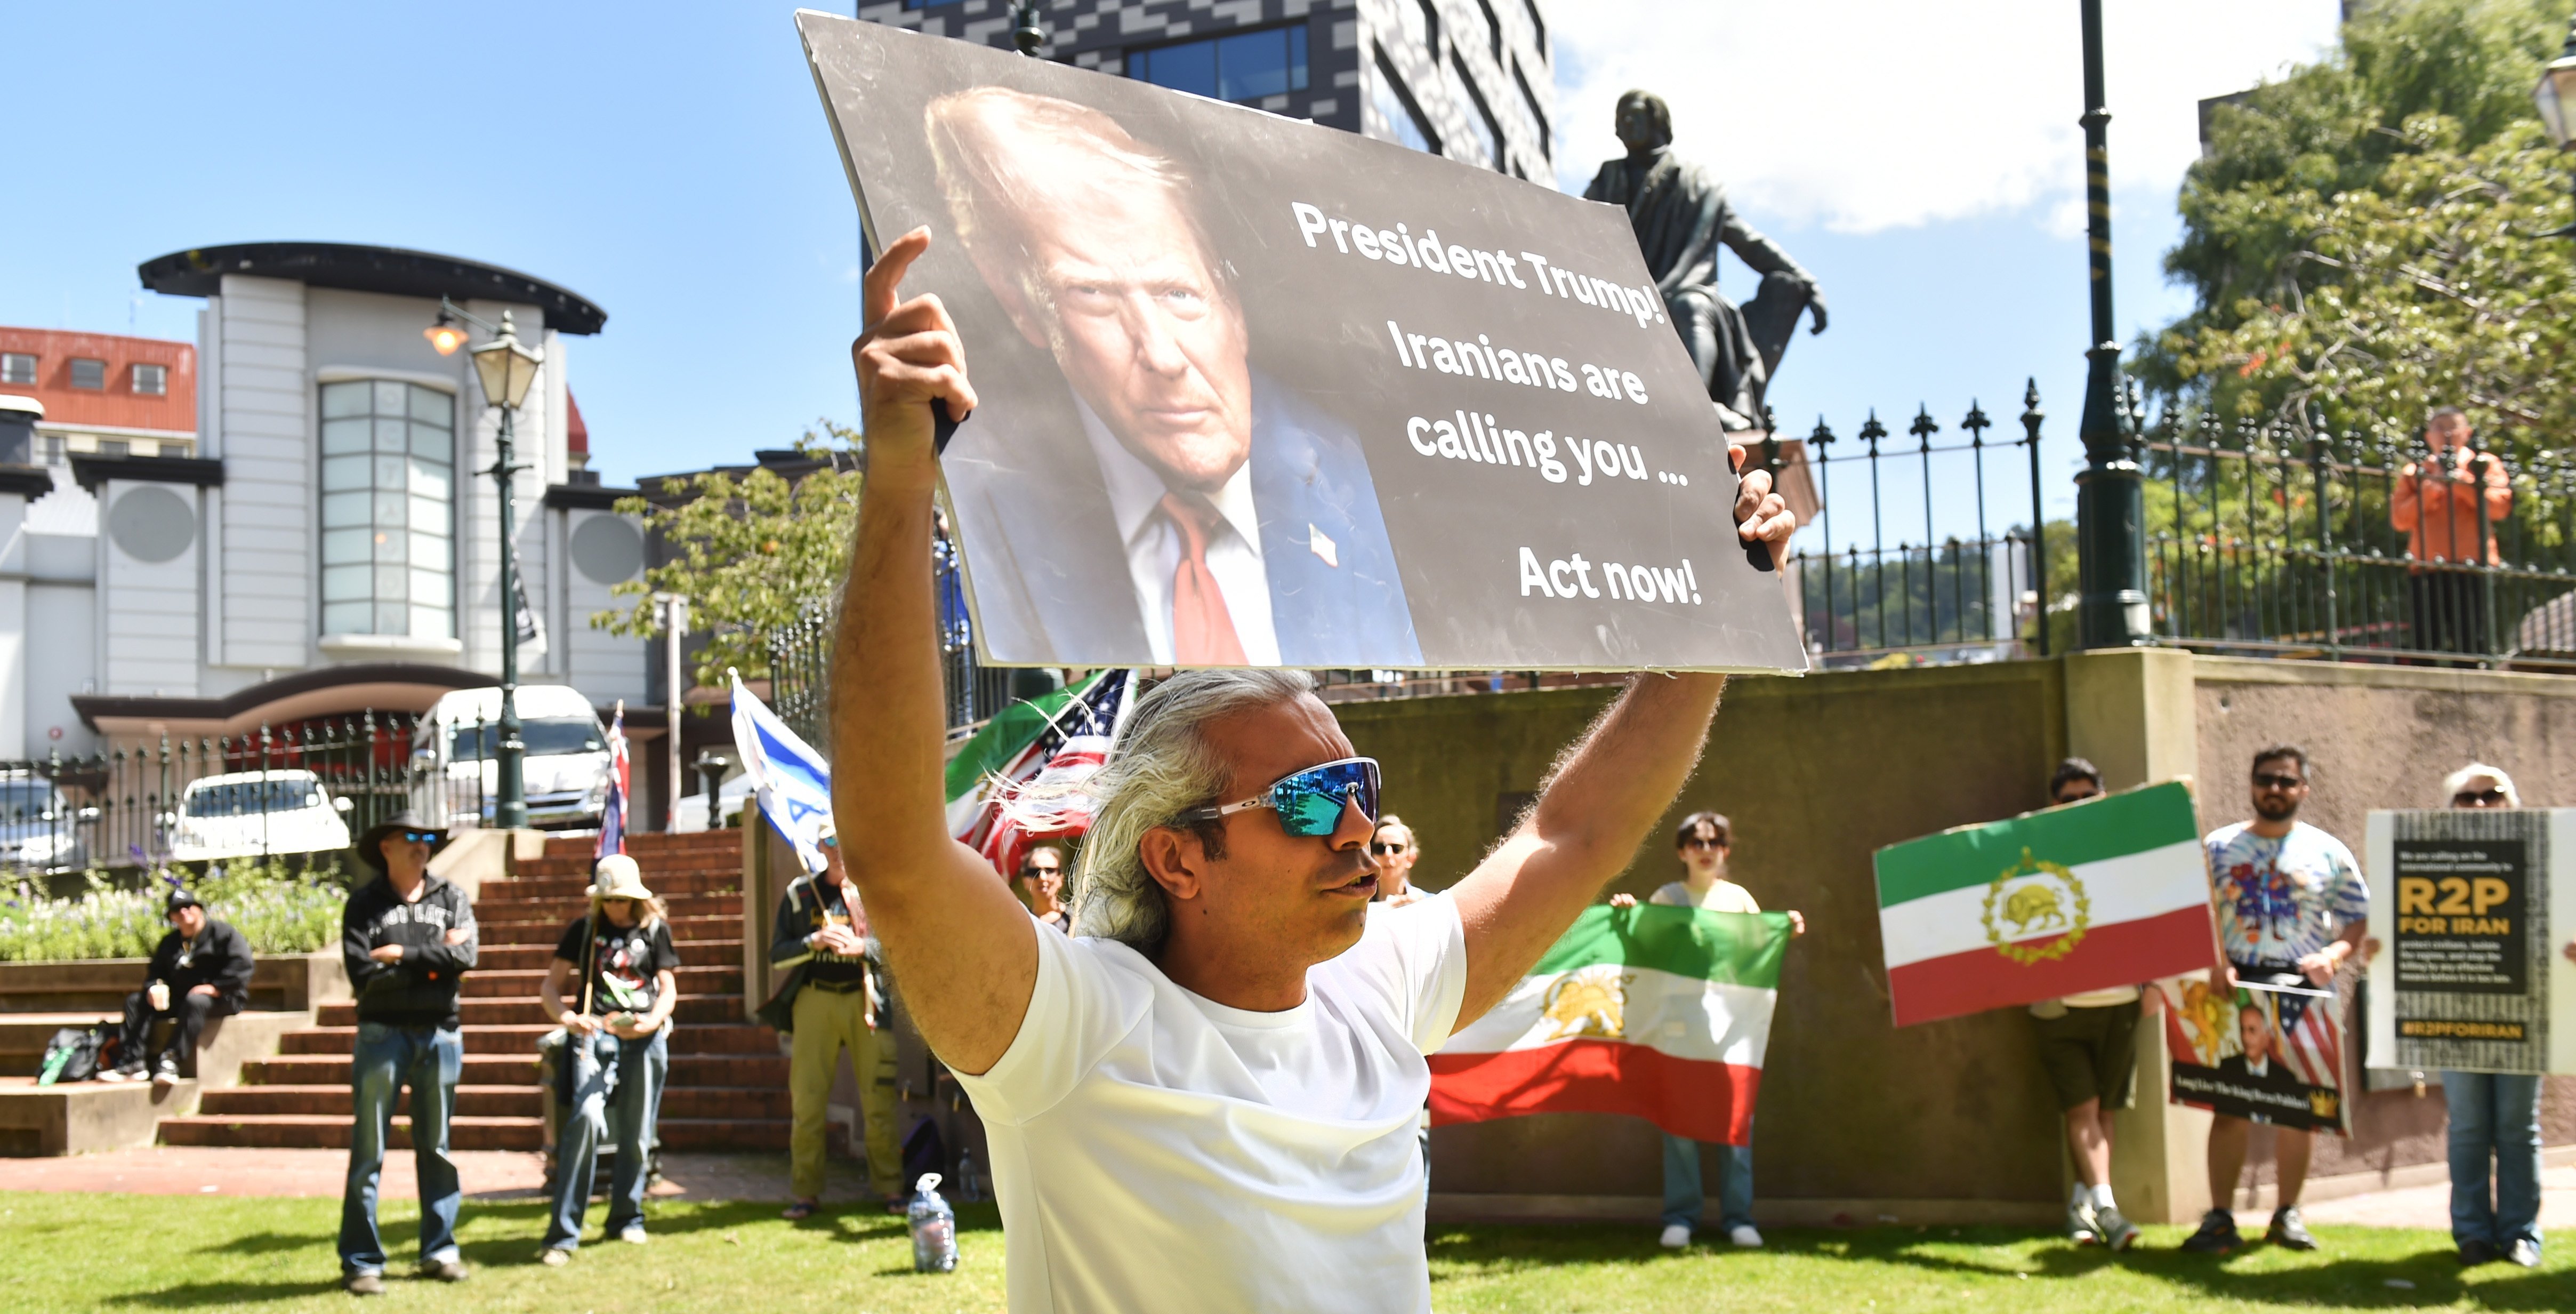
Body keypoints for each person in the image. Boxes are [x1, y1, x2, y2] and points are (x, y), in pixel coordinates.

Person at [834, 227, 1793, 1311]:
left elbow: (1569, 832)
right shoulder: (1067, 1030)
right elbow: (899, 855)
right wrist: (903, 484)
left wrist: (1721, 621)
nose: (1356, 831)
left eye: (1359, 788)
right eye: (1308, 799)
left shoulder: (1375, 975)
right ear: (1176, 856)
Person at [925, 85, 1419, 668]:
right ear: (1024, 308)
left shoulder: (1345, 468)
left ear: (1234, 304)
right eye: (1093, 294)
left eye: (1179, 293)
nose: (1161, 355)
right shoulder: (985, 490)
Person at [2181, 746, 2365, 1256]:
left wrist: (2335, 954)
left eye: (2287, 782)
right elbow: (2199, 914)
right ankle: (2220, 1218)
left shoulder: (2328, 852)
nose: (2276, 790)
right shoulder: (2218, 848)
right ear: (2251, 784)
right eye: (2266, 780)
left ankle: (2287, 1215)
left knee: (2298, 1110)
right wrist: (2214, 962)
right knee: (2230, 1106)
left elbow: (2358, 917)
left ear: (2303, 789)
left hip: (2305, 992)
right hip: (2236, 990)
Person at [1609, 812, 1802, 1249]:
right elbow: (1644, 946)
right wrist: (1628, 917)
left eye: (1714, 842)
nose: (1706, 849)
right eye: (1696, 842)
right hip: (1678, 1022)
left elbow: (1758, 947)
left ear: (1726, 850)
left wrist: (1784, 930)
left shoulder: (1738, 900)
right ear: (1682, 851)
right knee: (1678, 1119)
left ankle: (1739, 1218)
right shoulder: (1667, 898)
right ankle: (1681, 1216)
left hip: (1732, 1026)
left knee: (1735, 1119)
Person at [1583, 91, 1825, 428]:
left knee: (1692, 306)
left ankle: (1697, 406)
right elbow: (1575, 231)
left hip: (1684, 291)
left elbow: (1749, 243)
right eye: (1619, 120)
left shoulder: (1698, 184)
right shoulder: (1607, 179)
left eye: (1633, 115)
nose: (1624, 125)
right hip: (1623, 296)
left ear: (1658, 122)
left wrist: (1808, 283)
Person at [336, 809, 476, 1295]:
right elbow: (363, 978)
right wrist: (435, 962)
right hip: (382, 1035)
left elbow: (466, 957)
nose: (422, 845)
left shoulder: (451, 897)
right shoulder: (363, 906)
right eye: (410, 837)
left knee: (437, 1147)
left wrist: (400, 956)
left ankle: (440, 1251)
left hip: (441, 1033)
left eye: (427, 838)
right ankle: (361, 1262)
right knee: (369, 1149)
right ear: (386, 848)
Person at [2027, 758, 2150, 1252]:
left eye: (2087, 797)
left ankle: (2083, 1208)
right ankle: (2108, 1209)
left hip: (2121, 1003)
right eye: (2068, 799)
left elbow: (2150, 921)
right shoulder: (2033, 852)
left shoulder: (2124, 853)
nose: (2078, 807)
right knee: (2082, 1108)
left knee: (2107, 1110)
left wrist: (2156, 984)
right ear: (2054, 805)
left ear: (2103, 796)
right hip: (2059, 1010)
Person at [537, 854, 680, 1263]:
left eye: (624, 899)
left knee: (637, 1133)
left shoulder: (655, 930)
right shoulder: (584, 931)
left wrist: (652, 1022)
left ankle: (626, 1218)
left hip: (645, 1039)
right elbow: (550, 987)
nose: (617, 906)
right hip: (595, 1039)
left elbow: (668, 989)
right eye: (611, 899)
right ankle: (563, 1234)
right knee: (586, 1120)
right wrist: (568, 1018)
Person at [2432, 763, 2542, 1269]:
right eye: (2467, 797)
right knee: (2469, 1127)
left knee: (2518, 1127)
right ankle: (2473, 1234)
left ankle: (2521, 1234)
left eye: (2491, 794)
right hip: (2457, 1018)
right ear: (2451, 808)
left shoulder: (2545, 859)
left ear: (2511, 803)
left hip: (2525, 1015)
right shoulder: (2428, 862)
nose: (2479, 805)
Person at [769, 819, 905, 1220]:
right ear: (819, 845)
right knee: (808, 1102)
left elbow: (901, 948)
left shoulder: (876, 891)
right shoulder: (800, 893)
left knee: (878, 1101)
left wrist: (864, 947)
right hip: (815, 1002)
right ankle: (805, 1193)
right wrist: (814, 942)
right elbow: (777, 954)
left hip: (866, 1002)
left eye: (845, 839)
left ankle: (891, 1189)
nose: (838, 848)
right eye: (830, 840)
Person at [2390, 407, 2513, 655]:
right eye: (2438, 427)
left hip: (2473, 566)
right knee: (2425, 642)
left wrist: (2461, 482)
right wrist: (2431, 488)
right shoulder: (2415, 472)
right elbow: (2400, 520)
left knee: (2472, 641)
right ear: (2428, 436)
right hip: (2426, 567)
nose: (2446, 433)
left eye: (2452, 426)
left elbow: (2499, 507)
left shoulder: (2484, 466)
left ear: (2467, 433)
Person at [103, 888, 252, 1085]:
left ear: (199, 909)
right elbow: (156, 972)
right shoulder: (170, 943)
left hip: (223, 998)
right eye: (176, 910)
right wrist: (155, 987)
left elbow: (243, 964)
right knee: (135, 1001)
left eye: (187, 906)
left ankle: (170, 1060)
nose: (183, 912)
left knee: (196, 1001)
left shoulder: (223, 934)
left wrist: (216, 987)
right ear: (171, 917)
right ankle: (133, 1062)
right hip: (182, 998)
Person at [1371, 815, 1428, 909]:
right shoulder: (1356, 906)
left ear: (1410, 859)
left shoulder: (1428, 903)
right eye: (1380, 848)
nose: (1388, 854)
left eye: (1397, 848)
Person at [1015, 844, 1073, 932]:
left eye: (1049, 871)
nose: (1042, 877)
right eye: (1034, 872)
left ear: (1060, 879)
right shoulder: (1021, 926)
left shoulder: (1076, 919)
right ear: (1025, 881)